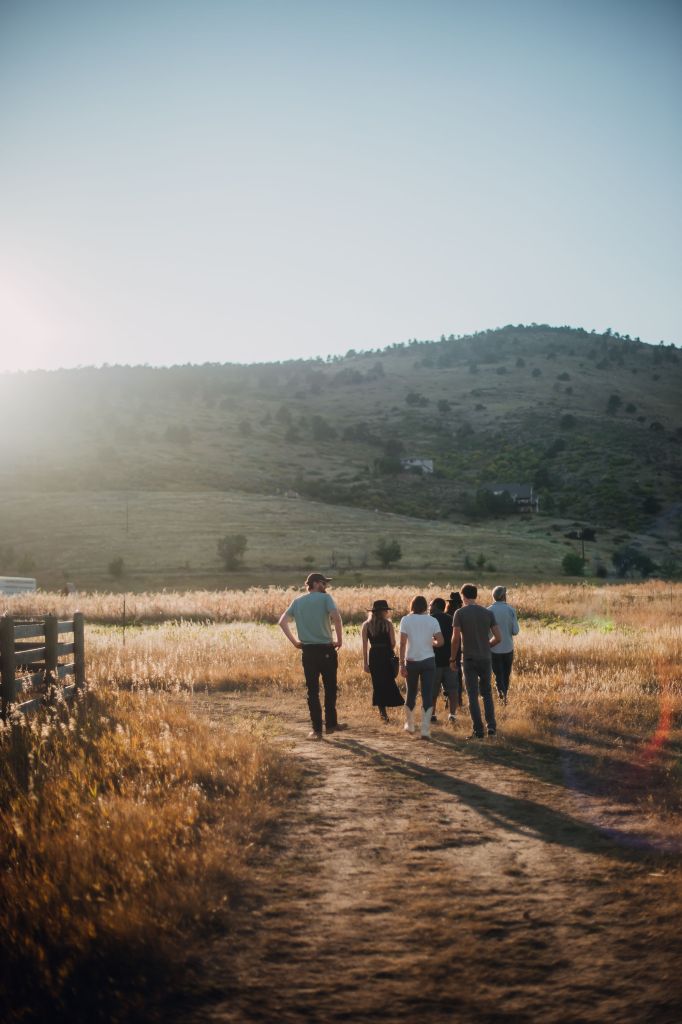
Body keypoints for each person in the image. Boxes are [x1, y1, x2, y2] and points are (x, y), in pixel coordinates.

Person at [278, 572, 345, 740]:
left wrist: (295, 642)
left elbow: (282, 622)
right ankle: (331, 724)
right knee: (330, 687)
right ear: (315, 583)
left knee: (312, 691)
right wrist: (339, 639)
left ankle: (316, 730)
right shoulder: (326, 598)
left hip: (308, 651)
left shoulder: (297, 601)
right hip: (326, 650)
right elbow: (336, 618)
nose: (325, 586)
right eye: (323, 583)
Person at [451, 583, 501, 739]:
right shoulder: (487, 613)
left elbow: (455, 639)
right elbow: (498, 637)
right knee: (487, 693)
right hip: (485, 658)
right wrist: (487, 645)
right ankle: (491, 727)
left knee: (472, 695)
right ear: (476, 595)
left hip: (469, 658)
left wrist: (452, 658)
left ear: (463, 596)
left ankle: (478, 731)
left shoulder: (460, 613)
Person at [399, 595, 444, 740]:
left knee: (411, 692)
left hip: (411, 661)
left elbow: (402, 644)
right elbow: (441, 641)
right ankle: (425, 729)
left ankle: (410, 724)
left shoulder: (405, 620)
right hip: (429, 661)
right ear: (425, 607)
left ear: (412, 606)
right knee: (427, 694)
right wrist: (432, 642)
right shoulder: (432, 620)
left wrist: (401, 664)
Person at [362, 599, 404, 722]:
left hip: (374, 655)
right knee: (388, 681)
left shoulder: (366, 625)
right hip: (386, 654)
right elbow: (393, 643)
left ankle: (383, 713)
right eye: (386, 610)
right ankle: (390, 704)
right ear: (383, 612)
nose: (387, 612)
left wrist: (365, 663)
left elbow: (364, 646)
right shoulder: (388, 624)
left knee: (378, 684)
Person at [487, 585, 520, 703]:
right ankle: (504, 696)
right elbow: (515, 631)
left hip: (493, 648)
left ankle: (501, 697)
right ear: (503, 596)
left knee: (498, 675)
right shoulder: (511, 610)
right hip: (508, 648)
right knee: (506, 675)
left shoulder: (488, 610)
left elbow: (485, 632)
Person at [428, 597, 458, 724]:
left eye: (430, 605)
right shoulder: (450, 619)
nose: (429, 607)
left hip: (434, 660)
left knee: (433, 690)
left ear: (435, 605)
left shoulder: (430, 620)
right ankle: (452, 715)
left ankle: (432, 714)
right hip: (450, 659)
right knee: (452, 689)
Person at [445, 591, 464, 715]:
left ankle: (447, 699)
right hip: (456, 647)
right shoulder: (460, 614)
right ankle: (458, 700)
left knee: (446, 673)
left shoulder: (446, 614)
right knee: (457, 674)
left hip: (444, 647)